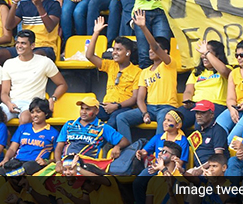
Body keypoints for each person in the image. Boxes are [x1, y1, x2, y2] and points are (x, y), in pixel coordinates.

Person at [115, 9, 179, 143]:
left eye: (153, 48)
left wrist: (143, 28)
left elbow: (156, 47)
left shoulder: (169, 63)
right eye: (148, 48)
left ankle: (159, 154)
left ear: (165, 51)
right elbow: (140, 99)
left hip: (167, 107)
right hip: (149, 107)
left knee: (164, 117)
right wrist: (145, 113)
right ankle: (128, 152)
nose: (150, 50)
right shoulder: (144, 71)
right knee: (121, 118)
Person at [0, 29, 67, 124]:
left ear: (32, 46)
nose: (19, 46)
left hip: (32, 104)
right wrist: (9, 104)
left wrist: (53, 98)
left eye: (23, 43)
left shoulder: (45, 62)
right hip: (12, 102)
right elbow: (4, 93)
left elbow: (62, 84)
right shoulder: (8, 63)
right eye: (18, 43)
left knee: (25, 118)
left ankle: (19, 139)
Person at [54, 96, 129, 174]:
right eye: (82, 108)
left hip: (86, 165)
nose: (83, 112)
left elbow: (125, 141)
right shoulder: (69, 124)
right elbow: (59, 146)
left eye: (88, 109)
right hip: (66, 163)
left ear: (96, 111)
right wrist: (58, 162)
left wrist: (117, 146)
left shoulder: (102, 127)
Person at [0, 98, 58, 175]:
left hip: (35, 163)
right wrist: (6, 159)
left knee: (23, 169)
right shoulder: (23, 128)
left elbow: (57, 157)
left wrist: (47, 161)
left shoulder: (53, 133)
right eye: (32, 112)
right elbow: (12, 148)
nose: (34, 115)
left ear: (46, 113)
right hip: (17, 161)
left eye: (38, 112)